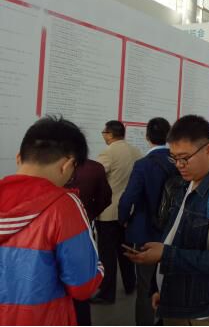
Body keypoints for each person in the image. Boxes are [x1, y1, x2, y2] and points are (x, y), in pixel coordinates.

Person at [125, 115, 209, 325]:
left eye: (184, 158)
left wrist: (165, 254)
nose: (179, 165)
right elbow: (174, 236)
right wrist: (160, 288)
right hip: (173, 298)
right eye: (174, 158)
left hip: (198, 310)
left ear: (208, 149)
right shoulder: (183, 184)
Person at [0, 116, 104, 325]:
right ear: (67, 165)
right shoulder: (64, 206)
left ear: (19, 157)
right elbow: (83, 285)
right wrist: (98, 267)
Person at [118, 117, 176, 325]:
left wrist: (124, 220)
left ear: (147, 136)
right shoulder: (179, 162)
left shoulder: (143, 165)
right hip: (173, 232)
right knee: (171, 282)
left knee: (145, 286)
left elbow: (128, 198)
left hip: (145, 232)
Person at [93, 120, 142, 304]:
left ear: (110, 134)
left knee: (107, 255)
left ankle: (107, 293)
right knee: (125, 250)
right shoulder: (136, 152)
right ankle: (130, 283)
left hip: (109, 212)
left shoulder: (109, 152)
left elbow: (96, 176)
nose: (103, 136)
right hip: (128, 211)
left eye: (104, 132)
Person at [64, 159, 112, 326]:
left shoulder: (48, 168)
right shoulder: (94, 167)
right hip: (82, 229)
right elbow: (105, 198)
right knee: (81, 281)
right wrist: (90, 214)